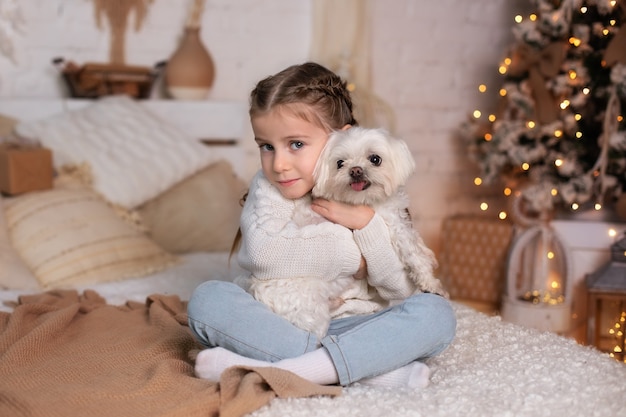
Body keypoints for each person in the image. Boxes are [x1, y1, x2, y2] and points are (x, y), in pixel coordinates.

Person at [187, 62, 456, 389]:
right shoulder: (269, 189)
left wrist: (366, 223)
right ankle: (364, 370)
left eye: (296, 144)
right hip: (280, 326)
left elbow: (400, 289)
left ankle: (276, 367)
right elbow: (262, 253)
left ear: (337, 138)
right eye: (266, 147)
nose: (280, 164)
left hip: (360, 324)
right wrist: (356, 260)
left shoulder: (369, 193)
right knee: (208, 300)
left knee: (436, 314)